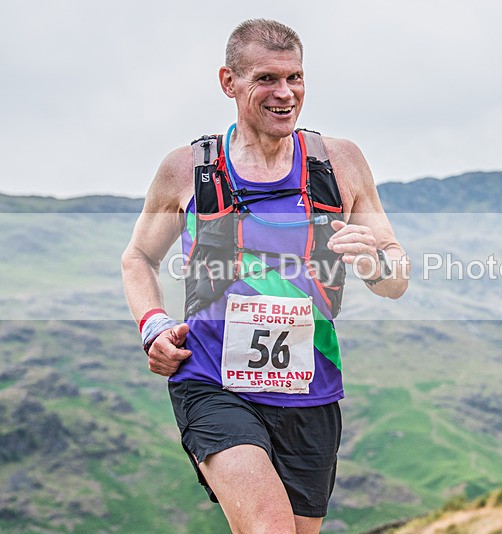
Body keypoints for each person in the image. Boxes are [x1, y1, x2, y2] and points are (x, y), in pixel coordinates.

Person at [121, 19, 408, 533]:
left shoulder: (340, 162)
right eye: (266, 79)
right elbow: (138, 258)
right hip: (211, 381)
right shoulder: (187, 169)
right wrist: (153, 325)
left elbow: (396, 275)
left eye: (295, 77)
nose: (286, 93)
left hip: (310, 390)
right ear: (228, 82)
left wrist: (374, 263)